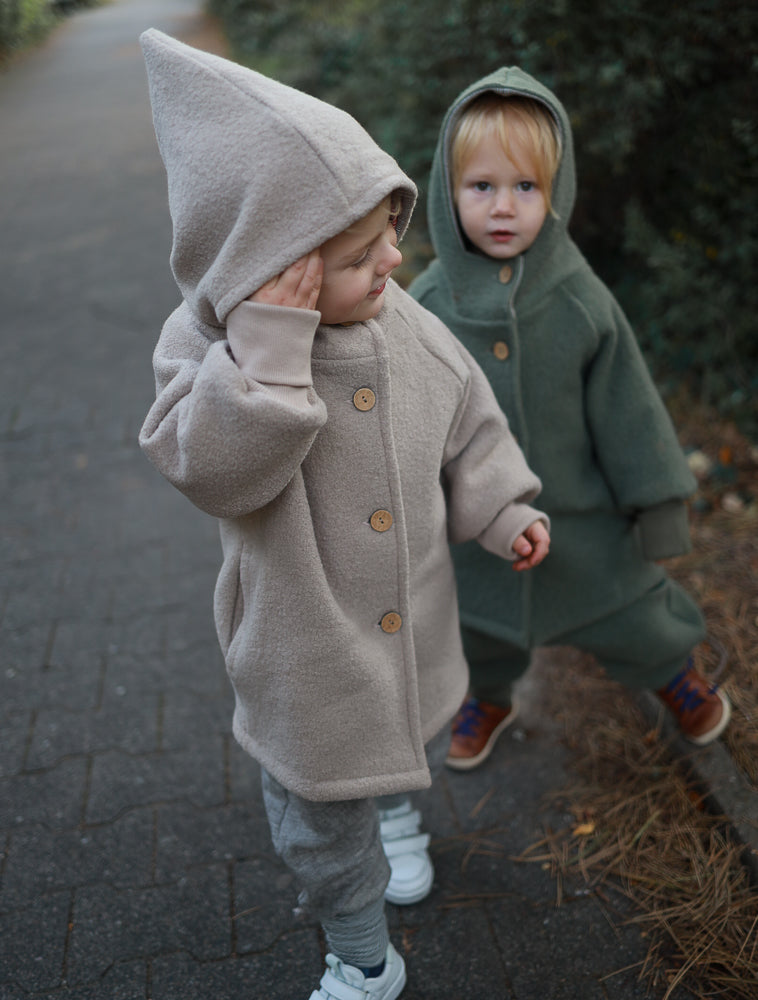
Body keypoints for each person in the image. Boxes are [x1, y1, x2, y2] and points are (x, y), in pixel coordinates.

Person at [138, 33, 550, 1000]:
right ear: (272, 267)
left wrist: (503, 507)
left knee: (402, 738)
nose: (394, 263)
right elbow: (210, 472)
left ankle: (401, 817)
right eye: (361, 256)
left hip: (412, 608)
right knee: (320, 814)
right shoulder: (206, 347)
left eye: (388, 236)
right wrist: (272, 356)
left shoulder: (396, 319)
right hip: (304, 641)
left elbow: (466, 417)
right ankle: (363, 952)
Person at [408, 67, 731, 772]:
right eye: (481, 186)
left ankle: (673, 673)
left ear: (556, 193)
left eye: (525, 187)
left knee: (631, 612)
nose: (503, 207)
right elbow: (403, 417)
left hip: (581, 520)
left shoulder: (578, 296)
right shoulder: (426, 305)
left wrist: (658, 506)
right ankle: (486, 696)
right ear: (446, 190)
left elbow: (630, 409)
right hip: (475, 531)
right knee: (476, 627)